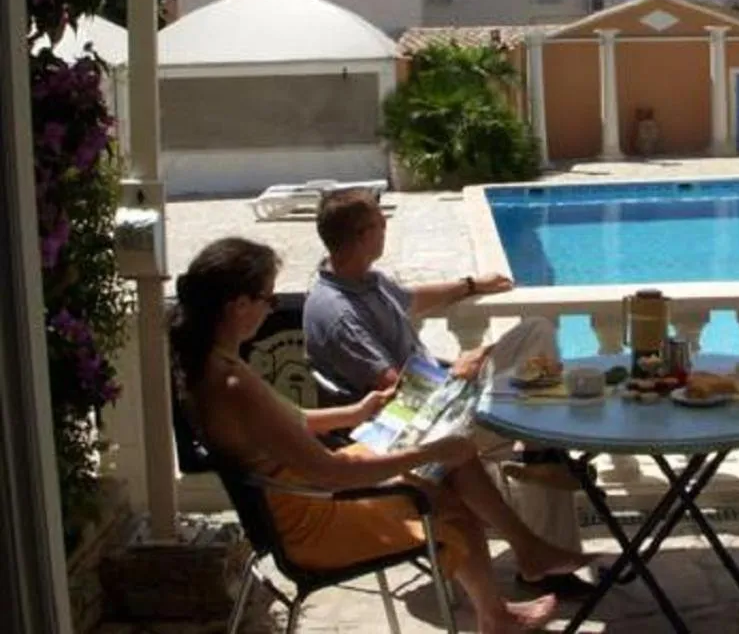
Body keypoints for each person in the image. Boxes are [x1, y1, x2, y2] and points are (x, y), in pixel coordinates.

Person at [172, 237, 591, 634]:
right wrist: (428, 451)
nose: (271, 308)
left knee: (453, 461)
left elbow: (289, 421)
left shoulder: (213, 367)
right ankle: (508, 591)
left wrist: (356, 411)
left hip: (300, 493)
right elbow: (334, 474)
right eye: (268, 298)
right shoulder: (231, 384)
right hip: (315, 519)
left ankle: (514, 580)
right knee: (448, 494)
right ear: (238, 305)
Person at [302, 189, 590, 598]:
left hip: (439, 397)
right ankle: (539, 510)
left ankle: (537, 464)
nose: (386, 227)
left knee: (537, 332)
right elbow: (396, 393)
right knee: (539, 417)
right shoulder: (337, 313)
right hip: (412, 429)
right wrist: (467, 368)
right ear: (364, 234)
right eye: (381, 222)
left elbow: (411, 300)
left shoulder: (363, 279)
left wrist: (471, 285)